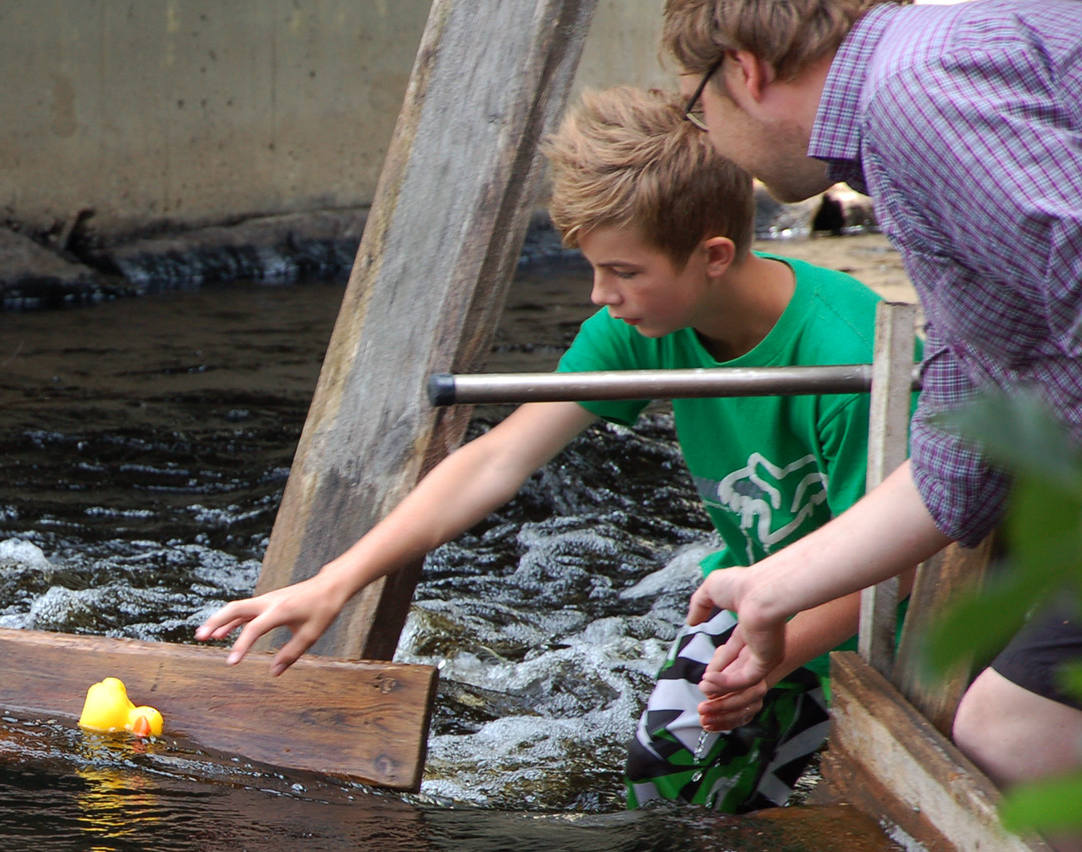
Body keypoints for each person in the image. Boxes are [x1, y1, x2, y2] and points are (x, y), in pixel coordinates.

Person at [198, 85, 913, 813]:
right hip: (755, 606)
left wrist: (778, 653)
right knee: (664, 782)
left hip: (878, 621)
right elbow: (497, 458)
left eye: (624, 272)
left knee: (818, 835)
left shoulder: (845, 354)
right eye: (593, 268)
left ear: (714, 256)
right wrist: (338, 579)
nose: (602, 295)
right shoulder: (641, 326)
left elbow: (904, 563)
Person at [667, 0, 1082, 825]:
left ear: (744, 70)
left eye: (697, 108)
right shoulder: (918, 86)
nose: (708, 137)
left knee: (1015, 736)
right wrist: (774, 584)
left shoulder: (917, 94)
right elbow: (969, 426)